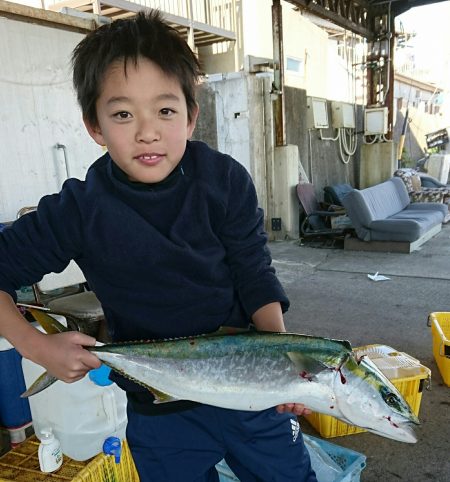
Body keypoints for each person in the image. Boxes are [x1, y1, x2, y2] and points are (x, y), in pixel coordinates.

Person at [0, 10, 316, 482]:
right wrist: (36, 346)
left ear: (191, 117)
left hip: (246, 396)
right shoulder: (79, 209)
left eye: (165, 111)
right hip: (158, 410)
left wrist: (282, 365)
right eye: (123, 114)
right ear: (95, 126)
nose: (147, 131)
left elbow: (255, 274)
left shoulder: (225, 181)